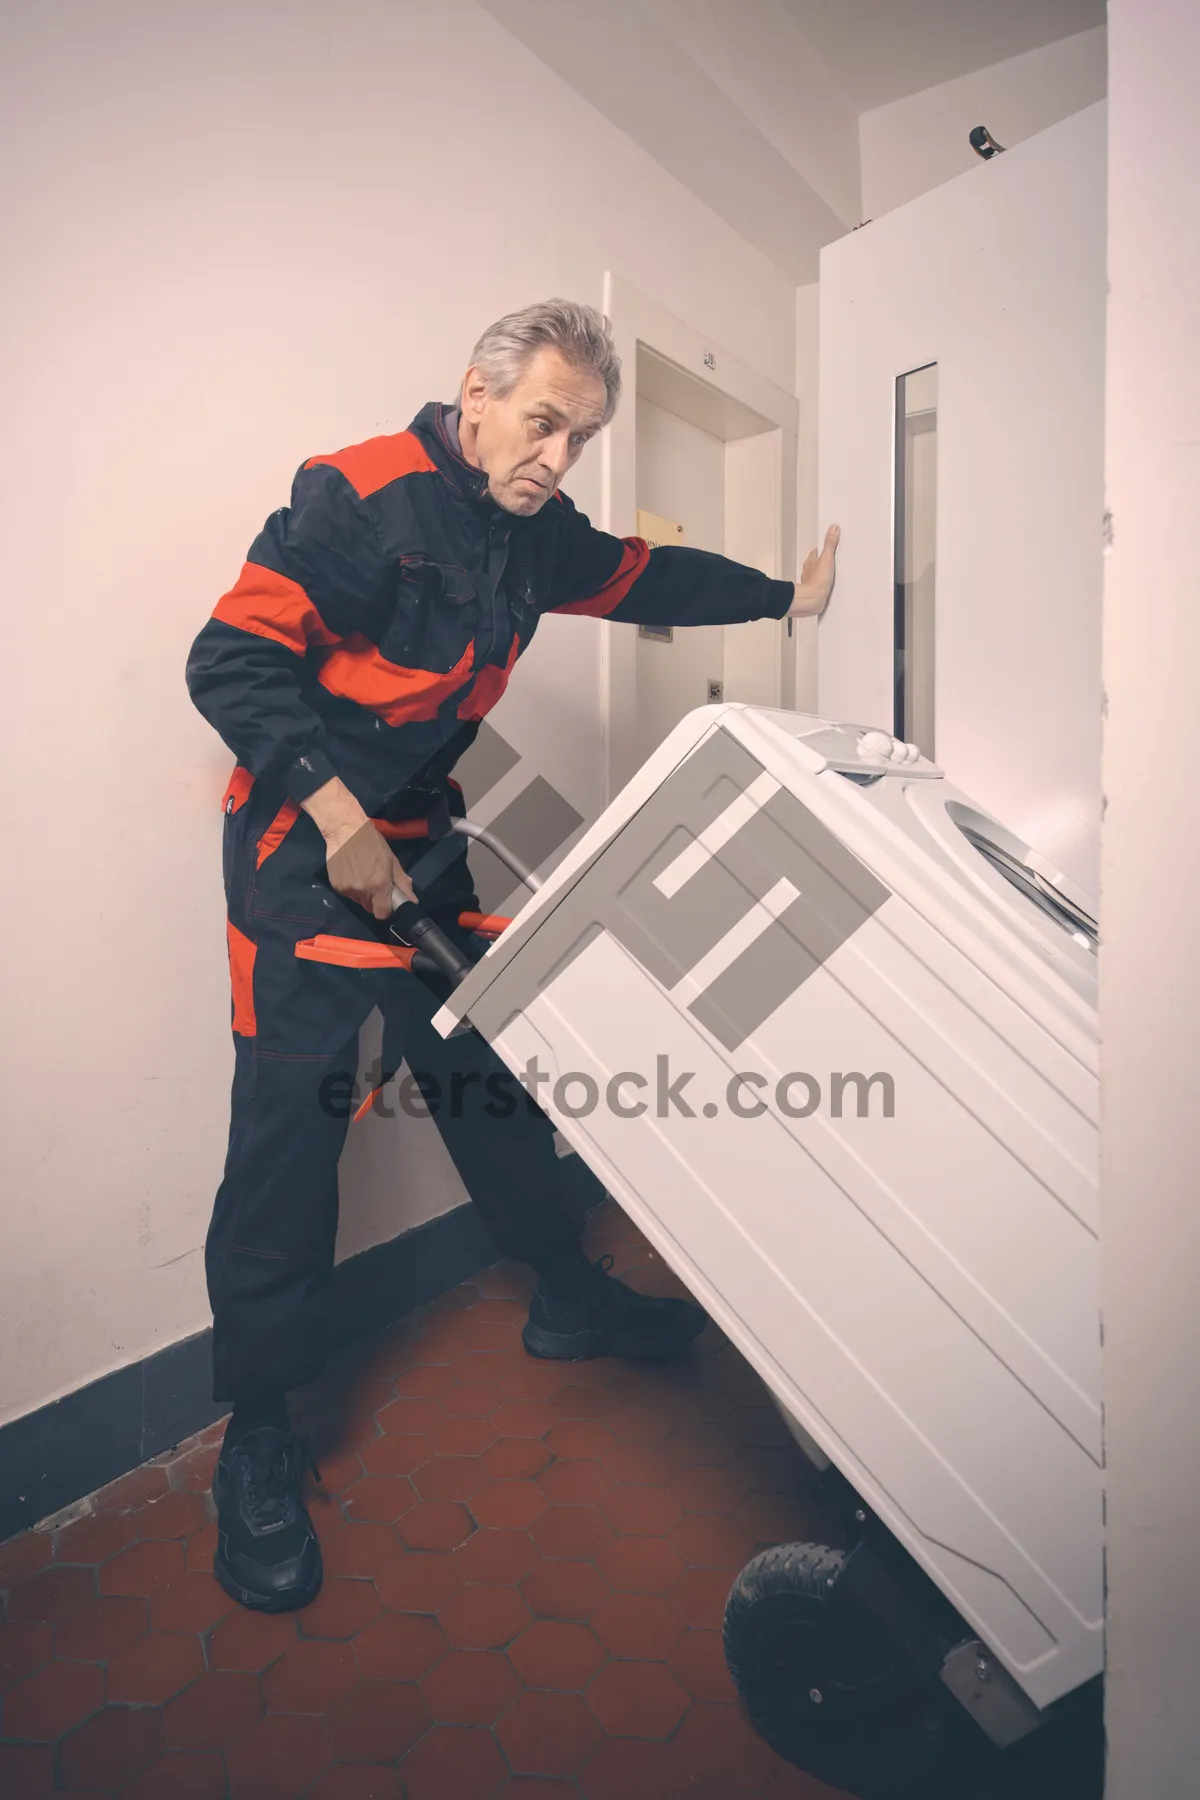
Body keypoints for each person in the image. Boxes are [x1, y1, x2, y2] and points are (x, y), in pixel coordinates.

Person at [185, 298, 839, 1614]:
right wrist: (336, 817)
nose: (556, 455)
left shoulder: (536, 541)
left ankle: (565, 1296)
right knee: (290, 1140)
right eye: (543, 421)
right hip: (301, 853)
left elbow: (650, 577)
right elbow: (229, 660)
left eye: (579, 436)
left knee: (490, 1080)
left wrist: (785, 597)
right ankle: (259, 1429)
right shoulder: (361, 493)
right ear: (475, 397)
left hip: (421, 845)